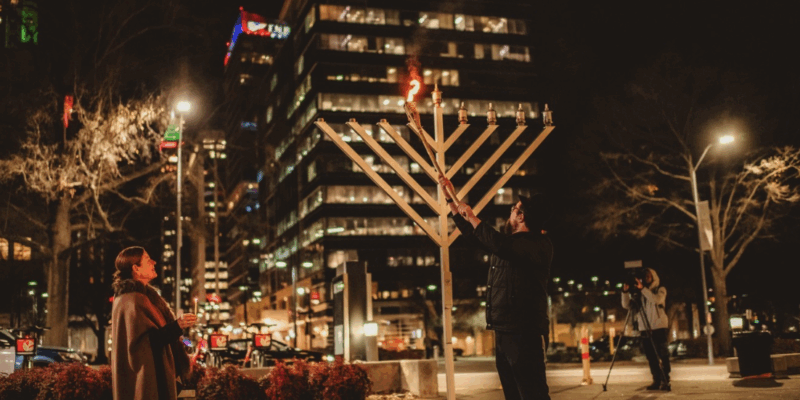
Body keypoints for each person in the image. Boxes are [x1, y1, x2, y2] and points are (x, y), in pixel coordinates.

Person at [439, 175, 553, 400]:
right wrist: (451, 201)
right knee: (513, 394)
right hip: (504, 330)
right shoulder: (510, 244)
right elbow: (477, 237)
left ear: (521, 216)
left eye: (514, 209)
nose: (511, 212)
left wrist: (473, 216)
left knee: (534, 394)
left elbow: (498, 243)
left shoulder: (537, 245)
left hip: (524, 332)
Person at [111, 246, 197, 400]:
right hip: (149, 377)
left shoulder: (144, 297)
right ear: (136, 268)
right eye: (147, 259)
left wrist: (177, 326)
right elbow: (146, 343)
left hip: (154, 373)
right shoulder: (132, 299)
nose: (153, 262)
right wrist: (178, 325)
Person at [621, 267, 670, 390]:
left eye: (649, 275)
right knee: (651, 357)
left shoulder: (660, 289)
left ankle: (665, 379)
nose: (647, 278)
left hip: (659, 327)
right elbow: (627, 305)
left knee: (663, 355)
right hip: (645, 328)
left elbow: (656, 300)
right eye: (645, 276)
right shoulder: (640, 293)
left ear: (654, 277)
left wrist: (643, 289)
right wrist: (625, 292)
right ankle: (656, 380)